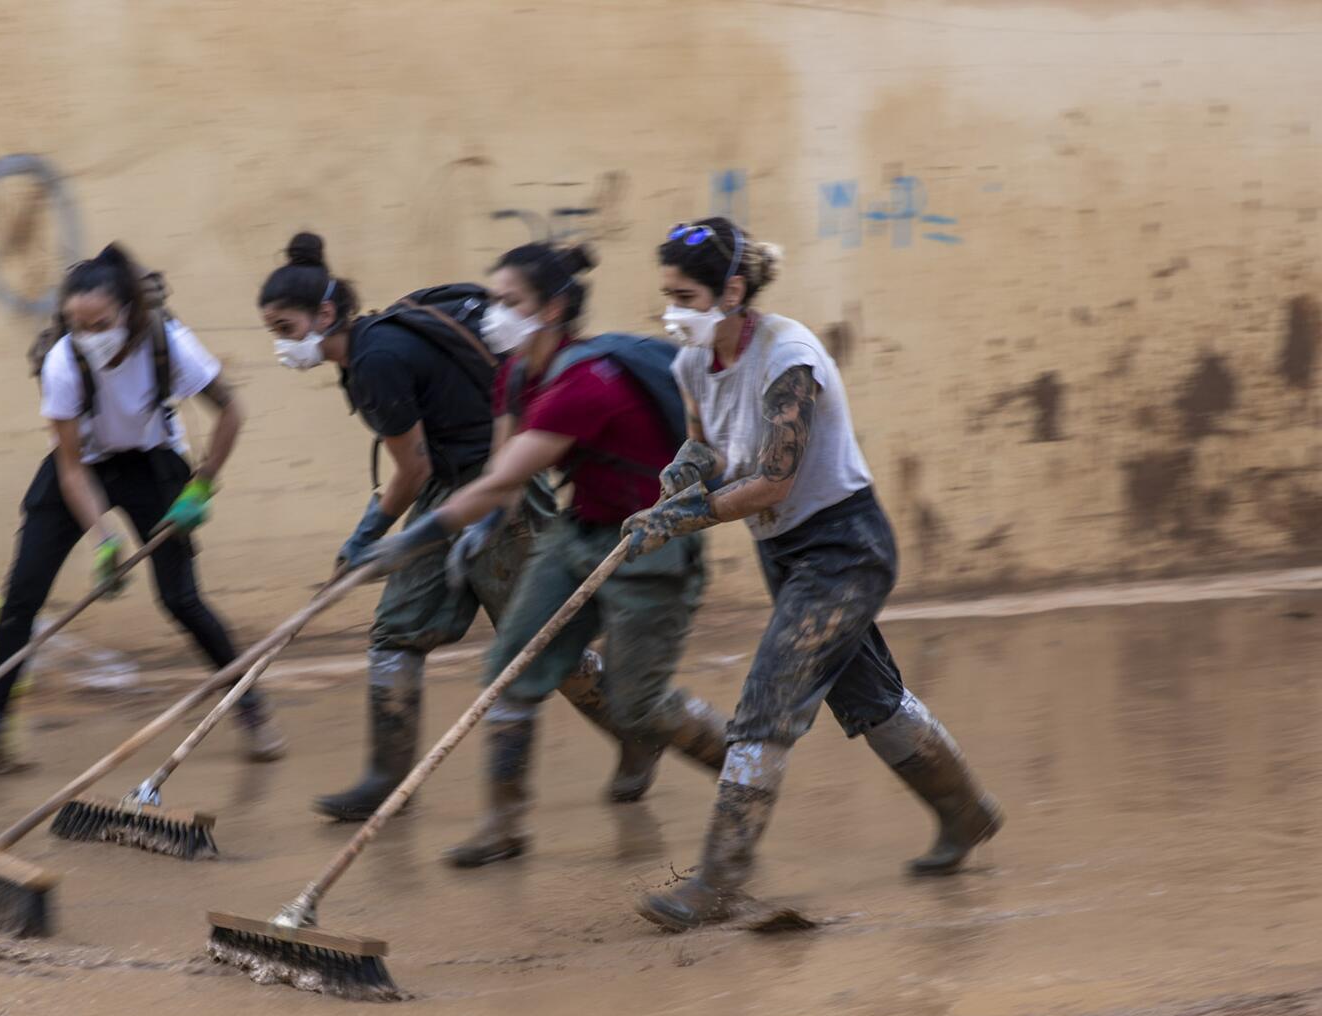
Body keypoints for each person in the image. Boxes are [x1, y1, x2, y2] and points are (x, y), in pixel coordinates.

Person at [621, 217, 1002, 930]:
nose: (672, 310)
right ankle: (965, 811)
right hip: (786, 553)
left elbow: (771, 480)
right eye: (667, 294)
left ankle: (718, 880)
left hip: (843, 549)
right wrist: (680, 474)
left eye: (685, 295)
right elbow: (706, 448)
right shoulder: (690, 365)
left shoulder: (787, 356)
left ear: (732, 290)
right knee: (870, 702)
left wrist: (680, 519)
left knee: (768, 702)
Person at [258, 231, 667, 824]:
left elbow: (409, 469)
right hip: (445, 487)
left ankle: (639, 730)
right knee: (396, 632)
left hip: (494, 489)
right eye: (273, 332)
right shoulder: (372, 345)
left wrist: (364, 539)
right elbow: (423, 467)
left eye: (285, 330)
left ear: (324, 314)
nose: (282, 346)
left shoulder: (374, 362)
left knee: (541, 642)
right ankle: (386, 778)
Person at [345, 242, 728, 865]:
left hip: (647, 543)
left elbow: (496, 480)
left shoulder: (585, 381)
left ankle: (742, 773)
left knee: (639, 704)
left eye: (508, 301)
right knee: (511, 668)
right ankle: (504, 826)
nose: (491, 314)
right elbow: (505, 478)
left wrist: (409, 541)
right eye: (493, 299)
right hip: (577, 532)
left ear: (550, 308)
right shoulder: (516, 372)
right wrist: (478, 525)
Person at [0, 243, 283, 775]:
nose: (89, 336)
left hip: (153, 466)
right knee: (21, 598)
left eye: (99, 323)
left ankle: (250, 706)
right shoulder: (62, 361)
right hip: (84, 468)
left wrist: (202, 487)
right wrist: (103, 536)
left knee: (182, 600)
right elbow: (72, 467)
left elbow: (231, 412)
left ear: (127, 311)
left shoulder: (168, 342)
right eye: (77, 326)